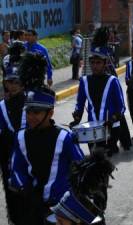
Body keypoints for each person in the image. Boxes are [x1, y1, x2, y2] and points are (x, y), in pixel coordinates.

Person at [9, 53, 84, 225]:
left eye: (36, 112)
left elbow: (80, 167)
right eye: (28, 112)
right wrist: (23, 187)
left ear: (50, 113)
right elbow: (16, 168)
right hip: (33, 206)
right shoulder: (20, 137)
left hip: (62, 208)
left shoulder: (65, 138)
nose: (31, 117)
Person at [70, 47, 126, 156]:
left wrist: (112, 119)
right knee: (95, 160)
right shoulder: (84, 81)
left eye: (98, 63)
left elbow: (122, 106)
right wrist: (76, 118)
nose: (95, 66)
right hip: (92, 128)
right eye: (93, 63)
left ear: (105, 63)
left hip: (111, 127)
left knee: (107, 161)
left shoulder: (112, 81)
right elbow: (80, 103)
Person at [0, 60, 26, 225]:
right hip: (8, 155)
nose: (13, 85)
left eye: (16, 81)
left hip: (28, 154)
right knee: (11, 192)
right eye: (9, 81)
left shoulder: (31, 102)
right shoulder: (2, 106)